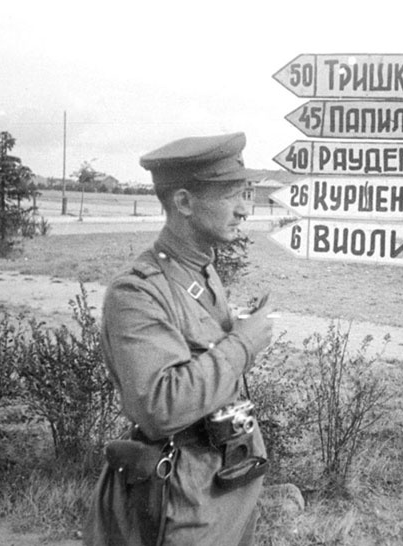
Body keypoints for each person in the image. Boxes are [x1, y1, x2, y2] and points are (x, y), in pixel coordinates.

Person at [84, 132, 274, 546]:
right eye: (231, 196)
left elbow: (202, 359)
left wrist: (237, 333)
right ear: (185, 202)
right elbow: (157, 406)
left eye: (245, 193)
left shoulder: (201, 269)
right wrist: (242, 344)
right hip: (183, 501)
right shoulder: (136, 293)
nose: (245, 209)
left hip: (227, 482)